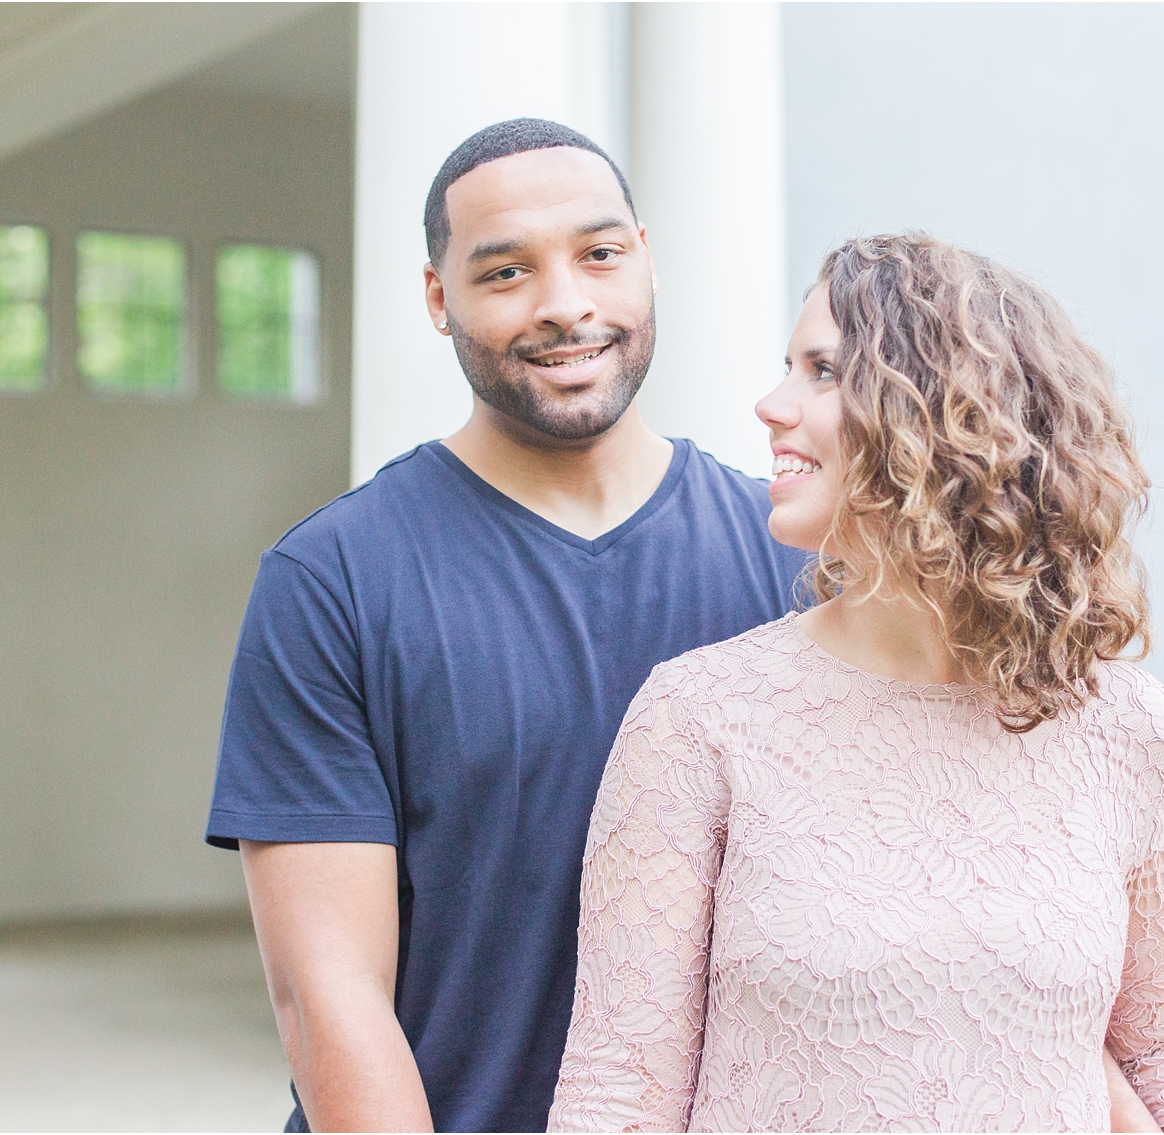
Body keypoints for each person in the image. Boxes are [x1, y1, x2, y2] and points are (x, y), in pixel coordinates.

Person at [547, 234, 1164, 1131]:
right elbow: (618, 1093)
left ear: (955, 416)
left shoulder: (1135, 732)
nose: (771, 405)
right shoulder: (699, 718)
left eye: (823, 370)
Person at [204, 119, 805, 1132]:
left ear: (645, 261)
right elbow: (326, 996)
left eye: (598, 255)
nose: (564, 304)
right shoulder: (333, 580)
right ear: (439, 300)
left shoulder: (794, 561)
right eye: (504, 273)